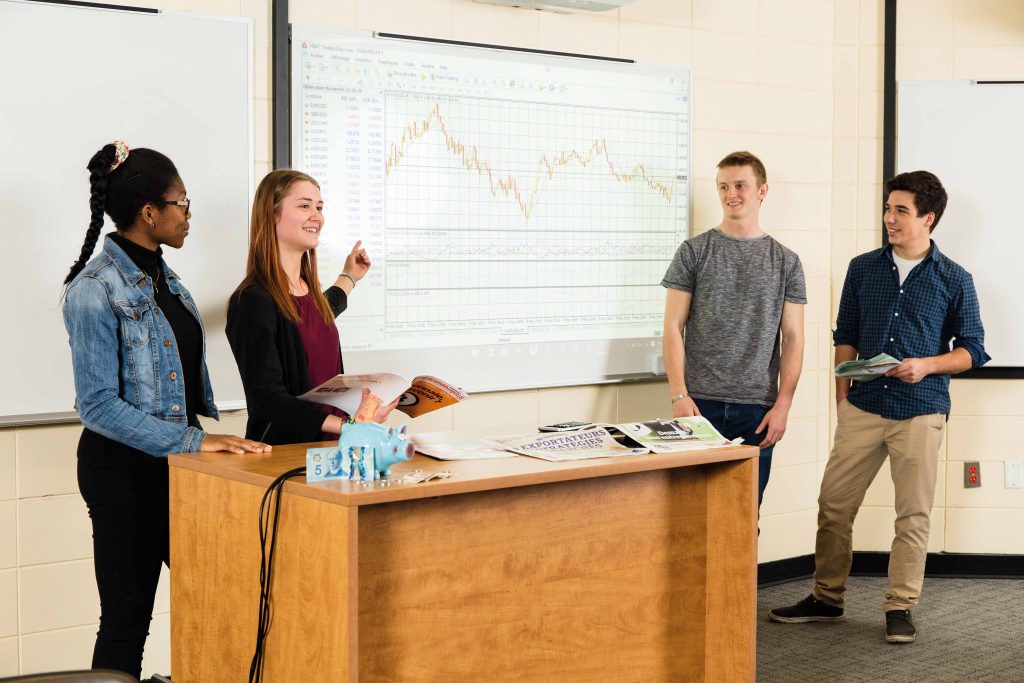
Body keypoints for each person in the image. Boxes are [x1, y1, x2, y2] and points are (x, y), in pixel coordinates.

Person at [62, 142, 270, 679]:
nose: (188, 213)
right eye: (182, 201)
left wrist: (198, 442)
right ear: (149, 212)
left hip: (180, 468)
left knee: (223, 599)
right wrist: (195, 441)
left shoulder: (166, 279)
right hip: (122, 473)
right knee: (127, 621)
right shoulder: (93, 289)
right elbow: (99, 406)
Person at [769, 170, 989, 644]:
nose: (889, 218)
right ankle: (827, 599)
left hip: (921, 408)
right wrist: (841, 397)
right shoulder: (863, 267)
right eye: (888, 208)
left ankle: (900, 606)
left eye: (901, 210)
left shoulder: (955, 278)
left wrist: (927, 365)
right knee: (834, 505)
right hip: (863, 407)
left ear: (928, 218)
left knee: (912, 515)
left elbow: (973, 349)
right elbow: (844, 334)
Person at [661, 150, 806, 509]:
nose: (731, 194)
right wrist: (679, 395)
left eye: (740, 185)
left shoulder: (786, 261)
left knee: (743, 518)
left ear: (762, 190)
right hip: (698, 407)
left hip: (757, 411)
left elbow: (794, 339)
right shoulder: (694, 252)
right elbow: (672, 326)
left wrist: (783, 404)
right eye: (723, 186)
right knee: (692, 514)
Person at [226, 169, 393, 445]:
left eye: (319, 207)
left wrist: (349, 276)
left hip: (331, 449)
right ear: (272, 214)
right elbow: (268, 399)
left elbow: (319, 314)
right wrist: (347, 427)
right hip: (284, 456)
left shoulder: (311, 295)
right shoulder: (251, 300)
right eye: (304, 206)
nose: (317, 216)